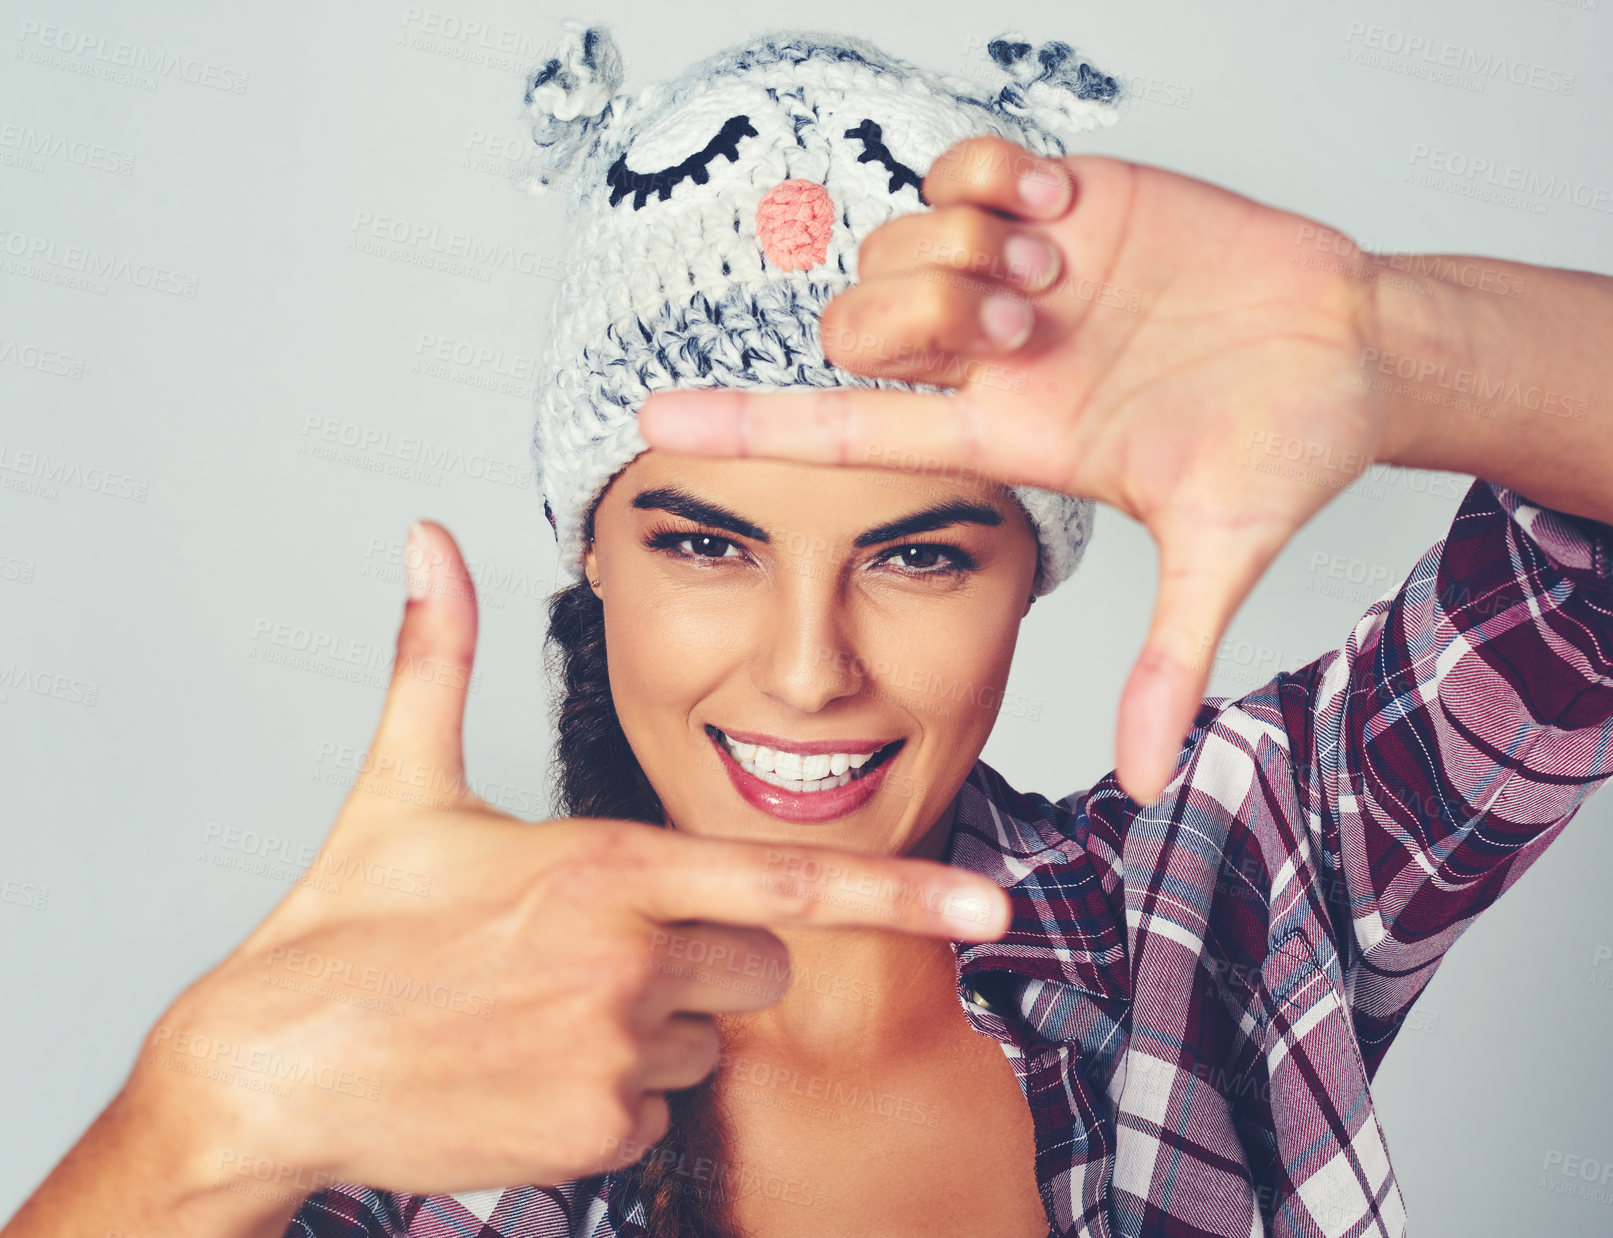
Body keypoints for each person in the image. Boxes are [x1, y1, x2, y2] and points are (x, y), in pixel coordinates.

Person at [6, 22, 1611, 1238]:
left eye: (915, 556)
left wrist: (1382, 338)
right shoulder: (414, 1107)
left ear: (1028, 576)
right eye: (705, 541)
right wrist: (206, 1107)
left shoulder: (1222, 895)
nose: (802, 667)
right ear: (596, 565)